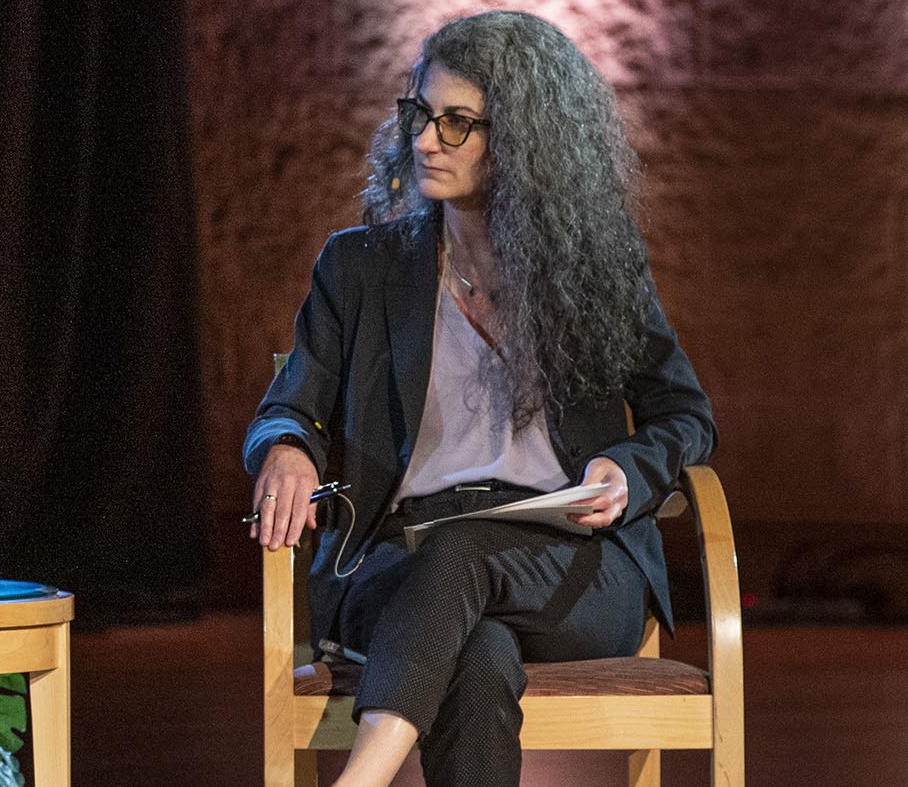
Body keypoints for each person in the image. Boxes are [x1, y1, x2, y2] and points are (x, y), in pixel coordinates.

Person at [242, 11, 715, 786]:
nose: (426, 140)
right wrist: (287, 447)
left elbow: (686, 416)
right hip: (401, 560)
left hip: (572, 563)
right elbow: (287, 408)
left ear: (527, 141)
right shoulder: (360, 267)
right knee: (480, 654)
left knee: (467, 556)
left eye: (458, 123)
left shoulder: (597, 271)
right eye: (420, 115)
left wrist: (627, 469)